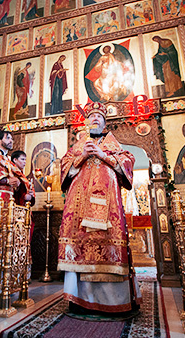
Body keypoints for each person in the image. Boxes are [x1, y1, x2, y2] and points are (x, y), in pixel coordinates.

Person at [58, 102, 140, 315]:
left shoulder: (114, 144)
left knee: (108, 242)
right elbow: (64, 167)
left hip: (108, 206)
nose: (95, 119)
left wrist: (104, 156)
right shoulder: (78, 146)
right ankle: (79, 300)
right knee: (80, 245)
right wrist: (82, 156)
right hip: (80, 208)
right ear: (86, 122)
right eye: (91, 117)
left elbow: (128, 162)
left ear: (105, 122)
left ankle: (113, 302)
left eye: (99, 117)